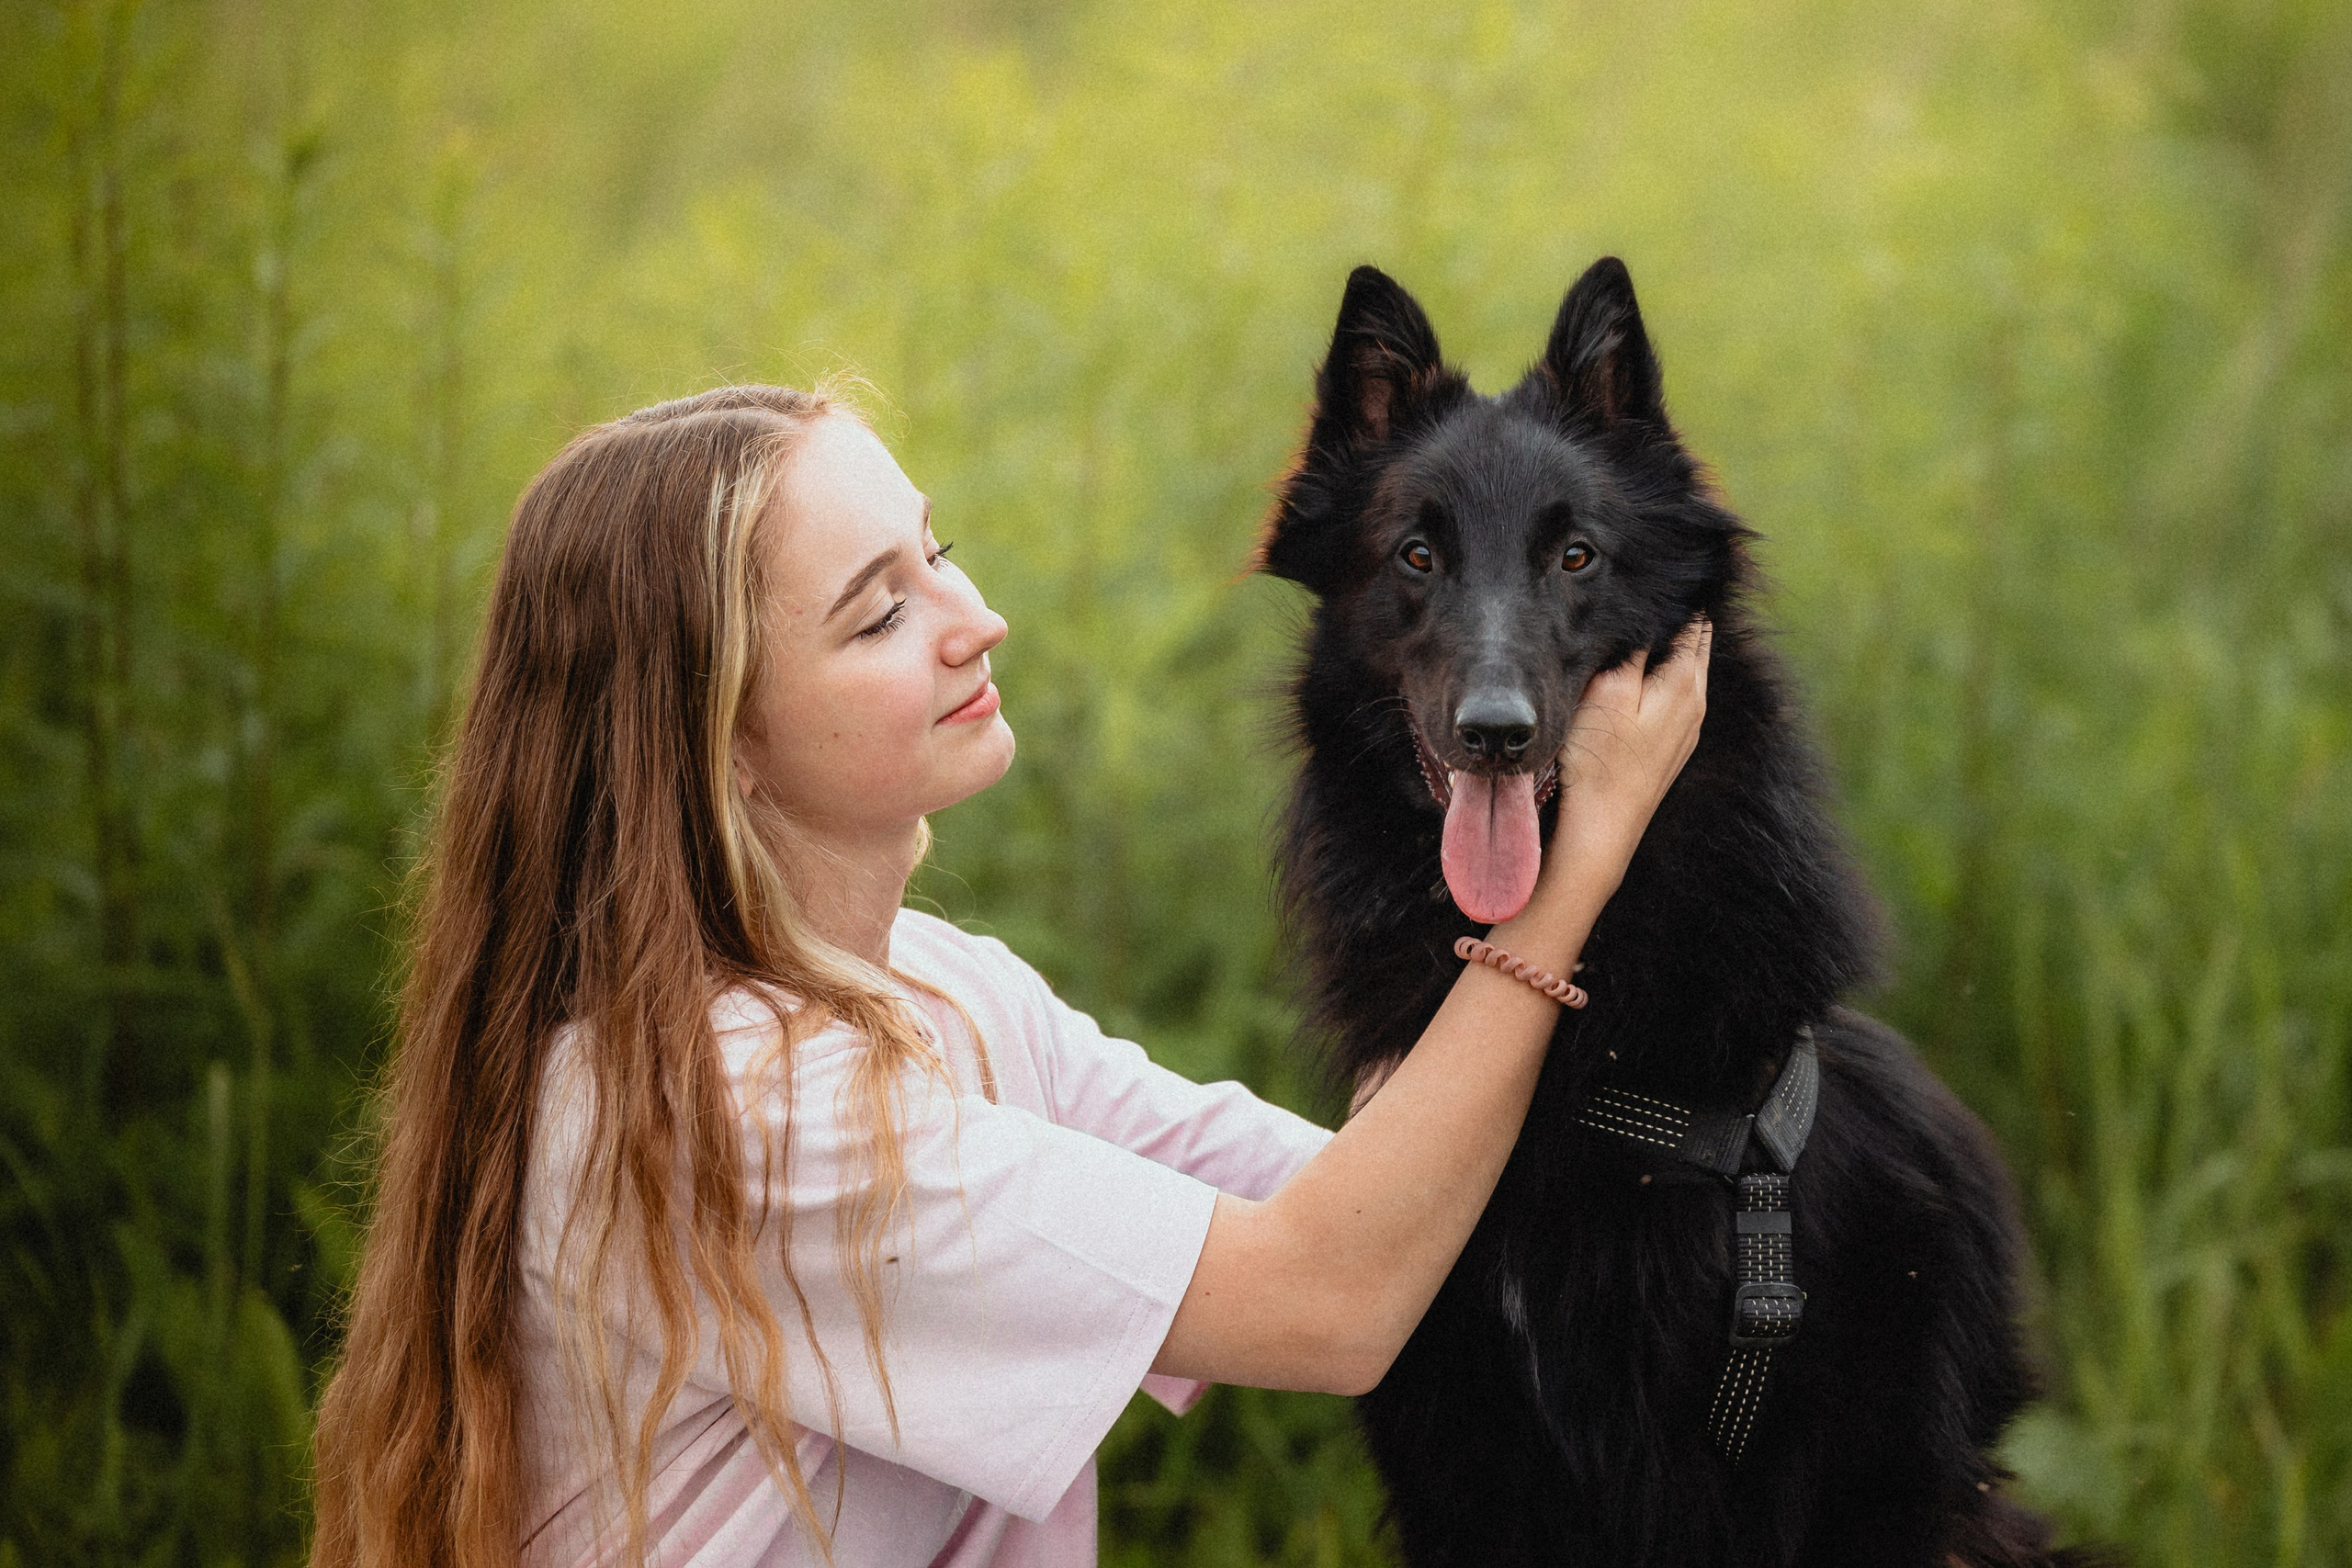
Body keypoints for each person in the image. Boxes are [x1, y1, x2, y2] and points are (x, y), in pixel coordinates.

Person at [306, 385, 1709, 1568]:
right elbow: (1332, 1292)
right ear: (713, 740)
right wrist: (1577, 865)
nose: (974, 621)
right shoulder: (733, 1105)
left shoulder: (938, 989)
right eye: (877, 617)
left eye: (939, 554)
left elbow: (1383, 1197)